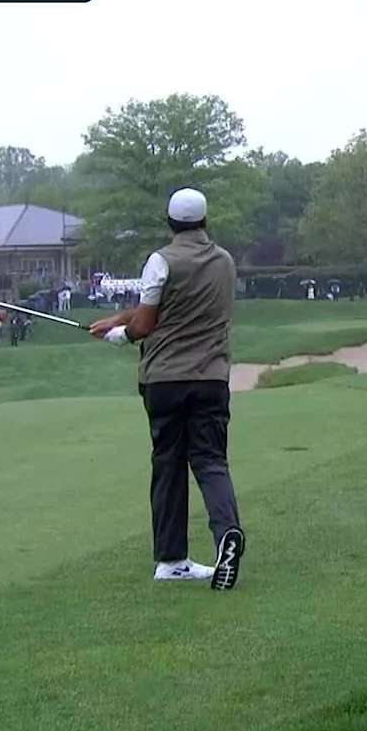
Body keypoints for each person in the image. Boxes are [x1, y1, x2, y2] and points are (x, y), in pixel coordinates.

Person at [89, 188, 245, 590]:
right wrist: (117, 319)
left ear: (170, 222)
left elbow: (145, 324)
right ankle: (227, 532)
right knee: (211, 461)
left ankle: (172, 559)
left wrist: (121, 335)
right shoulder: (225, 262)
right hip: (210, 377)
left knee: (168, 465)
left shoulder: (161, 260)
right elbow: (171, 309)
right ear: (205, 221)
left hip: (165, 381)